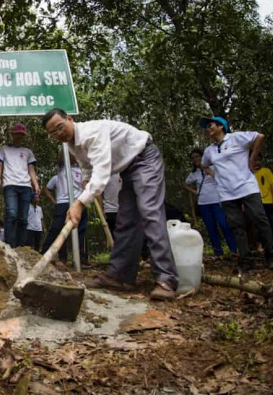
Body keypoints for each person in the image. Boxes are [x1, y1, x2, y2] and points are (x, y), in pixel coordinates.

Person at [43, 108, 179, 301]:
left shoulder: (92, 133)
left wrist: (80, 203)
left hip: (145, 158)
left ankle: (167, 278)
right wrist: (82, 196)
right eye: (53, 133)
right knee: (126, 220)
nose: (58, 134)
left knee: (149, 212)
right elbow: (88, 174)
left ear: (70, 119)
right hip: (128, 169)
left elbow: (101, 174)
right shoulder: (74, 145)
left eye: (59, 127)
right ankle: (120, 276)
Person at [199, 116, 273, 270]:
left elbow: (259, 136)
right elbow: (204, 165)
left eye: (211, 125)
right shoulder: (209, 150)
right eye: (206, 127)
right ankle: (245, 259)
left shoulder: (236, 138)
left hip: (247, 187)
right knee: (236, 226)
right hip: (227, 194)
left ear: (221, 127)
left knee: (260, 220)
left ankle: (270, 255)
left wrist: (252, 159)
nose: (208, 128)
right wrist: (216, 176)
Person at [184, 148, 237, 256]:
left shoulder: (214, 167)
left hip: (217, 201)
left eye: (197, 156)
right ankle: (218, 253)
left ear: (202, 157)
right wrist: (195, 191)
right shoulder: (194, 173)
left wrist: (208, 171)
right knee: (211, 228)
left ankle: (233, 250)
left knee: (224, 225)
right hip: (203, 203)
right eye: (193, 158)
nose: (195, 159)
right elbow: (185, 184)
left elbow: (223, 179)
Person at [0, 122, 40, 248]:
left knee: (23, 218)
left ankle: (21, 246)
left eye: (21, 135)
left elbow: (31, 170)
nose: (19, 137)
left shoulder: (27, 152)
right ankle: (10, 245)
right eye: (17, 134)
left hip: (25, 186)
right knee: (12, 214)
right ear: (12, 134)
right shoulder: (4, 149)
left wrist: (35, 184)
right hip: (10, 185)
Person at [42, 152, 88, 267]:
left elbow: (85, 186)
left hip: (79, 203)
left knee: (80, 232)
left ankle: (81, 259)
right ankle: (45, 254)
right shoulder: (61, 171)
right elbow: (46, 189)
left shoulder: (80, 171)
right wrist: (54, 201)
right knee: (57, 229)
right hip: (63, 203)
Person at [252, 155, 273, 240]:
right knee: (258, 223)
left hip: (268, 201)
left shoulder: (266, 171)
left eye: (258, 160)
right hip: (257, 202)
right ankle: (261, 243)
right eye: (254, 161)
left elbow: (272, 185)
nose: (256, 163)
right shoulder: (250, 174)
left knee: (271, 222)